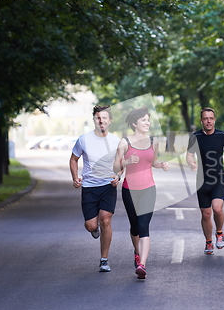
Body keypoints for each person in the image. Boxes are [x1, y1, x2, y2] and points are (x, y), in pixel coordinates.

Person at [114, 107, 169, 279]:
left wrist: (161, 164)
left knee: (144, 226)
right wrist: (127, 161)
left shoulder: (154, 141)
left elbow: (153, 161)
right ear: (134, 123)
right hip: (129, 189)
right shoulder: (124, 143)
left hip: (148, 189)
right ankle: (137, 253)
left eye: (148, 120)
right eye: (143, 120)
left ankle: (142, 264)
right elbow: (116, 167)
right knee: (135, 226)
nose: (147, 123)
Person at [70, 105, 121, 273]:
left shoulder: (115, 141)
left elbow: (121, 163)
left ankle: (104, 260)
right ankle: (95, 229)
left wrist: (118, 176)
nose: (101, 121)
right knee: (91, 225)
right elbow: (73, 159)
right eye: (98, 118)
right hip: (89, 187)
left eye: (104, 118)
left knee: (105, 220)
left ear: (110, 121)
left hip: (108, 186)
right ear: (94, 120)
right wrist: (75, 177)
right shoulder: (84, 139)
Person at [186, 107, 224, 255]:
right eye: (205, 118)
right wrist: (190, 162)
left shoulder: (222, 135)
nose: (208, 121)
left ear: (214, 120)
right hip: (202, 181)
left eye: (211, 118)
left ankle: (219, 233)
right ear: (201, 120)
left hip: (218, 178)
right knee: (206, 214)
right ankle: (208, 242)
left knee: (217, 208)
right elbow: (189, 154)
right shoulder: (195, 137)